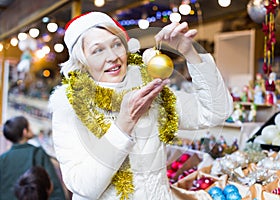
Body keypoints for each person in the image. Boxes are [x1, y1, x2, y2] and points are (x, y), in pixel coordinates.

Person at [49, 11, 233, 199]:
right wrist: (123, 125)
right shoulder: (69, 108)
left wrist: (190, 53)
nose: (113, 56)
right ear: (81, 60)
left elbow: (216, 112)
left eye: (116, 44)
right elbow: (83, 186)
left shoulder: (148, 89)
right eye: (98, 50)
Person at [0, 116, 66, 200]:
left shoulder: (2, 159)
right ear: (25, 132)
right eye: (29, 127)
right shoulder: (37, 153)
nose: (32, 130)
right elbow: (54, 187)